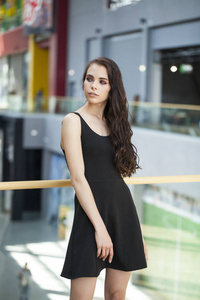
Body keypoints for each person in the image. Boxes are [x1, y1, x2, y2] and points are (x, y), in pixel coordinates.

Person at [61, 57, 148, 300]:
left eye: (102, 81)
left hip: (123, 213)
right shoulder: (72, 121)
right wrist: (100, 229)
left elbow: (117, 178)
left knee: (117, 294)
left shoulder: (115, 123)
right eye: (89, 79)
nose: (93, 86)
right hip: (91, 220)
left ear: (112, 87)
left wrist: (136, 233)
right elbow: (78, 179)